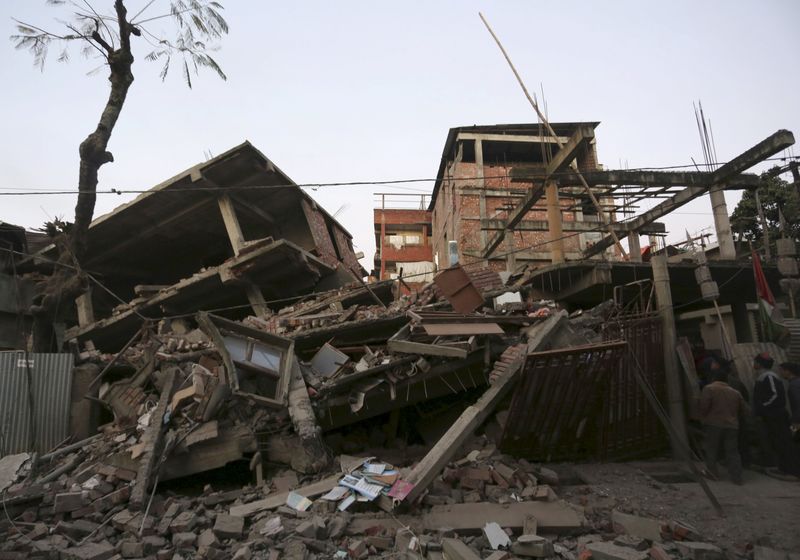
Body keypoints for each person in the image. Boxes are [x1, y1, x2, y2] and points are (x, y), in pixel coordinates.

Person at [752, 353, 800, 478]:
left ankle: (790, 469)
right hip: (774, 416)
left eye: (755, 361)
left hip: (777, 417)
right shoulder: (763, 376)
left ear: (759, 363)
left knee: (784, 442)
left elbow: (775, 395)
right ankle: (785, 468)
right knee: (780, 442)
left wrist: (762, 407)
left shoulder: (769, 376)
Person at [698, 369, 746, 484]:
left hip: (714, 424)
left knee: (711, 449)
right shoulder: (735, 392)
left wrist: (702, 418)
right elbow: (743, 409)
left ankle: (712, 473)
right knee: (732, 451)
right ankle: (737, 477)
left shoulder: (709, 389)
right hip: (732, 425)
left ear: (714, 378)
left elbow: (704, 407)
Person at [779, 362, 800, 436]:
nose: (780, 373)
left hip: (797, 421)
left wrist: (795, 422)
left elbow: (798, 405)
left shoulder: (793, 385)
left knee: (792, 438)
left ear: (788, 371)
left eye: (781, 370)